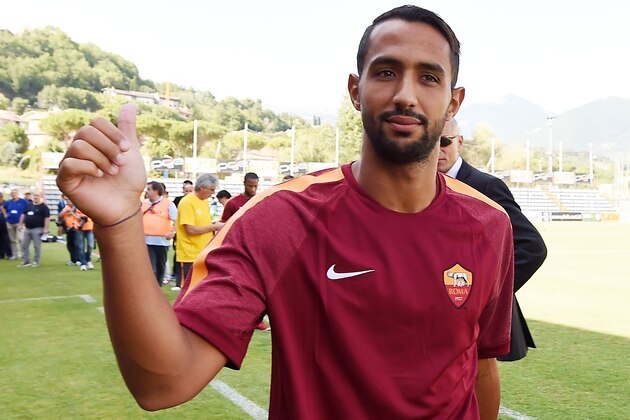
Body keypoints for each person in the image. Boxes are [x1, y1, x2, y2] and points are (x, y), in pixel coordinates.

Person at [56, 6, 514, 419]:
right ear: (356, 91)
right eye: (386, 72)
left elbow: (479, 367)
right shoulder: (282, 218)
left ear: (453, 102)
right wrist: (117, 224)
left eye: (429, 77)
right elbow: (162, 383)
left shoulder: (488, 225)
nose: (406, 95)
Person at [438, 119, 547, 361]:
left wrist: (482, 297)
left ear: (460, 142)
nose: (437, 149)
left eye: (444, 141)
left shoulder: (486, 186)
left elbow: (531, 247)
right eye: (430, 141)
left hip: (474, 318)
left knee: (479, 383)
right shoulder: (423, 187)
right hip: (438, 319)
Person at [219, 172, 270, 331]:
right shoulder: (233, 203)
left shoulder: (261, 200)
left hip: (257, 250)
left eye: (255, 186)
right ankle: (234, 316)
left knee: (257, 284)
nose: (253, 189)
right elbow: (224, 225)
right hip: (237, 249)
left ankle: (256, 318)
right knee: (237, 283)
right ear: (244, 183)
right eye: (250, 186)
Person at [172, 174, 224, 292]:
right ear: (203, 187)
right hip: (190, 255)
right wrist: (213, 227)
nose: (213, 193)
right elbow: (190, 230)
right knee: (190, 291)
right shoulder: (187, 202)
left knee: (201, 291)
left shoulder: (204, 201)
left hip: (203, 253)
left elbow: (202, 224)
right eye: (212, 189)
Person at [142, 181, 177, 287]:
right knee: (150, 266)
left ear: (156, 191)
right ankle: (150, 287)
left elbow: (176, 220)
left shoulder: (168, 204)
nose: (146, 191)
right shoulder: (143, 203)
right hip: (146, 239)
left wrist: (172, 232)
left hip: (162, 241)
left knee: (160, 265)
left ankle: (158, 286)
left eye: (149, 189)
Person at [17, 191, 50, 268]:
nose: (36, 197)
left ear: (41, 196)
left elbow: (47, 218)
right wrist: (20, 224)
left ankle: (36, 261)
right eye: (35, 195)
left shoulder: (44, 207)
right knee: (24, 245)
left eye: (37, 195)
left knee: (37, 246)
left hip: (38, 229)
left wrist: (45, 228)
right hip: (27, 228)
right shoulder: (29, 205)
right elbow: (23, 214)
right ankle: (26, 261)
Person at [4, 189, 28, 260]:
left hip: (20, 223)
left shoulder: (23, 201)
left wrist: (24, 220)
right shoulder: (8, 202)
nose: (13, 194)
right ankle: (15, 254)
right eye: (12, 193)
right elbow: (3, 207)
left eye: (14, 193)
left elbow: (28, 208)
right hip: (10, 222)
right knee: (12, 240)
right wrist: (6, 215)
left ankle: (24, 254)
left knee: (21, 239)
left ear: (18, 194)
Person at [0, 192, 12, 259]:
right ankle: (1, 254)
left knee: (6, 240)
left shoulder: (6, 204)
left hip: (5, 224)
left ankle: (9, 254)